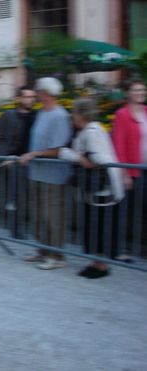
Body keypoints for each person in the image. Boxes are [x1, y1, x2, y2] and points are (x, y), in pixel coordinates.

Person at [59, 98, 125, 278]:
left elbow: (101, 158)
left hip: (102, 190)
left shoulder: (93, 131)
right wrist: (79, 157)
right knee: (93, 225)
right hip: (95, 190)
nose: (73, 117)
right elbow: (68, 153)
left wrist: (84, 158)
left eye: (75, 113)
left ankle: (101, 265)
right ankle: (96, 263)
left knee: (98, 225)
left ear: (81, 115)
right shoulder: (86, 131)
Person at [19, 77, 72, 270]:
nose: (36, 94)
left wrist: (35, 154)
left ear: (47, 93)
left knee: (53, 216)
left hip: (53, 176)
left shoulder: (60, 115)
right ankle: (41, 249)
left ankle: (56, 256)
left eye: (38, 91)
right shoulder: (42, 113)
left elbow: (59, 148)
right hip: (36, 173)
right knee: (38, 214)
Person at [0, 86, 37, 239]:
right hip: (13, 162)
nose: (30, 100)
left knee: (27, 197)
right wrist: (4, 157)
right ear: (19, 98)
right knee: (15, 197)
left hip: (32, 163)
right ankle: (15, 229)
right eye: (26, 97)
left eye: (32, 97)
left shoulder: (36, 116)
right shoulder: (9, 115)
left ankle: (28, 228)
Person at [111, 79, 147, 257]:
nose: (140, 93)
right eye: (136, 90)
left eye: (143, 90)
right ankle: (120, 249)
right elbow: (119, 145)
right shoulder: (122, 114)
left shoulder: (146, 112)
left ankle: (142, 248)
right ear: (128, 93)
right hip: (132, 170)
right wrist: (124, 172)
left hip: (145, 168)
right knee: (128, 210)